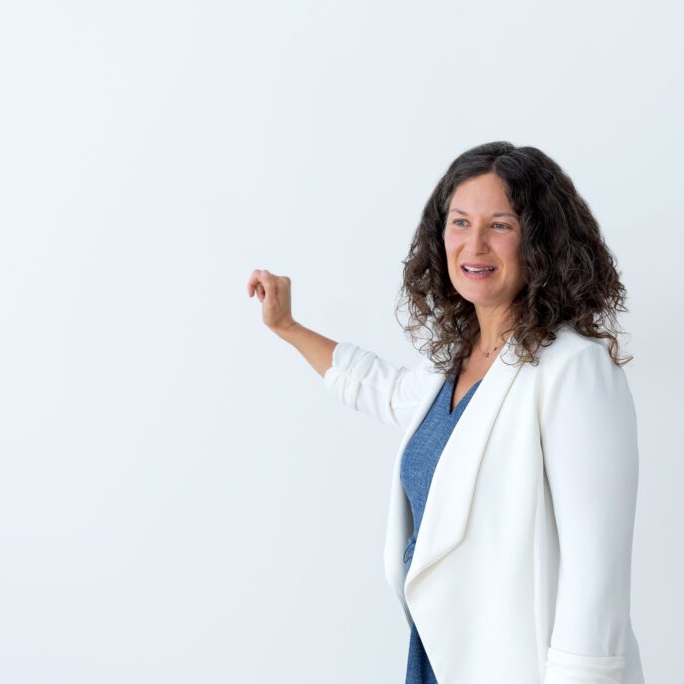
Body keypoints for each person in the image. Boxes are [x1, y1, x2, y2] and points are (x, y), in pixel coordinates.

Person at [247, 141, 644, 684]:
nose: (474, 244)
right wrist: (288, 327)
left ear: (542, 241)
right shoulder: (453, 370)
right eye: (460, 222)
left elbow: (596, 574)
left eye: (500, 225)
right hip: (437, 663)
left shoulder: (574, 369)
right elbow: (379, 388)